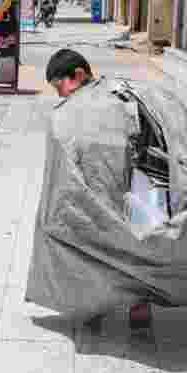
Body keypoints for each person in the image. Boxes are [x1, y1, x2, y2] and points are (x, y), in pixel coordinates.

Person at [43, 49, 154, 330]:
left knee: (95, 244)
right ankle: (136, 306)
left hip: (113, 188)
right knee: (136, 244)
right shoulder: (123, 94)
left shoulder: (86, 107)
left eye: (60, 86)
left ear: (78, 75)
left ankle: (99, 306)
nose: (59, 95)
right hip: (135, 188)